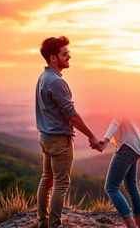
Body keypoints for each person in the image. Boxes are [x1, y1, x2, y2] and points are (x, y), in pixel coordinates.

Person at [35, 36, 101, 228]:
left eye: (68, 53)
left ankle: (43, 222)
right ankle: (54, 225)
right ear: (53, 58)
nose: (69, 56)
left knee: (47, 179)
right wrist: (92, 136)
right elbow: (72, 116)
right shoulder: (56, 82)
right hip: (58, 140)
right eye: (65, 54)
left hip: (46, 138)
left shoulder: (43, 77)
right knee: (61, 184)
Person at [97, 118, 140, 228]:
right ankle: (139, 225)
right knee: (131, 185)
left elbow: (115, 121)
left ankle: (131, 225)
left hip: (127, 147)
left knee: (111, 187)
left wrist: (105, 140)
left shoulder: (120, 102)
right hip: (136, 146)